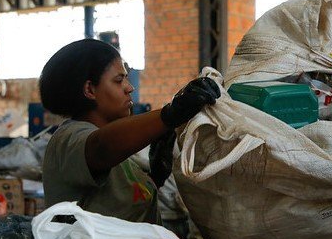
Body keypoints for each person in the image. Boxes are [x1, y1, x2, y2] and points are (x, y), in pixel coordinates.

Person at [39, 38, 220, 224]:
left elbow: (120, 205)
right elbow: (101, 147)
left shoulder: (121, 158)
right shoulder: (68, 138)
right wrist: (170, 114)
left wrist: (155, 178)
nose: (129, 87)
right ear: (89, 90)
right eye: (119, 80)